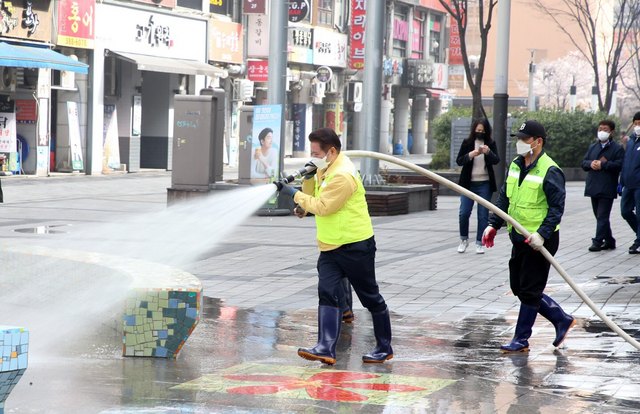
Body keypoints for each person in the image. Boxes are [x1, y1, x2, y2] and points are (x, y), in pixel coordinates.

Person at [276, 128, 392, 365]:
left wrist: (293, 195)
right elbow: (314, 198)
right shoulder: (326, 167)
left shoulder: (343, 175)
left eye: (316, 152)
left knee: (370, 297)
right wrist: (307, 181)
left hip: (355, 245)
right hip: (329, 246)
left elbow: (325, 206)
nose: (313, 156)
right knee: (327, 292)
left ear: (331, 151)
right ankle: (325, 347)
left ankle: (384, 346)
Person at [482, 120, 575, 353]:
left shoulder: (550, 170)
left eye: (525, 139)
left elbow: (556, 208)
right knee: (519, 287)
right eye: (519, 138)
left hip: (539, 241)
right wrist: (494, 224)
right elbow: (505, 197)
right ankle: (561, 318)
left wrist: (542, 235)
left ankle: (521, 339)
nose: (520, 143)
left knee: (531, 290)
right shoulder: (515, 165)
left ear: (538, 142)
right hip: (519, 236)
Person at [455, 118, 500, 254]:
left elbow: (496, 160)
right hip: (468, 184)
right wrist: (470, 155)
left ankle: (479, 242)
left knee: (483, 214)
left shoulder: (490, 143)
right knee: (464, 212)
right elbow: (459, 161)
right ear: (474, 129)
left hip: (484, 184)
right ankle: (463, 239)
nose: (480, 132)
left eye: (482, 130)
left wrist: (488, 152)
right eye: (478, 130)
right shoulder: (467, 143)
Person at [581, 120, 624, 252]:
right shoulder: (593, 147)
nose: (602, 132)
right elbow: (584, 163)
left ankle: (598, 241)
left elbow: (619, 165)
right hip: (593, 186)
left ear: (611, 132)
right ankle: (609, 240)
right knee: (599, 216)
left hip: (607, 187)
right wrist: (591, 164)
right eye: (600, 129)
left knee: (602, 216)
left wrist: (603, 165)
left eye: (605, 129)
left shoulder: (617, 148)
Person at [620, 111, 640, 254]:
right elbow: (626, 162)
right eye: (636, 123)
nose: (637, 126)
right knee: (625, 211)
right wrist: (621, 181)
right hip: (628, 184)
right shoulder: (631, 141)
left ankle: (639, 241)